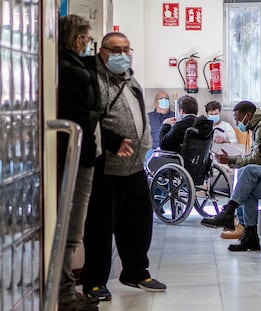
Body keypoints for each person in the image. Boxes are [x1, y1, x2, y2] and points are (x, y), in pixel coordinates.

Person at [81, 32, 166, 302]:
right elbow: (89, 120)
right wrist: (113, 141)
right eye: (116, 50)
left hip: (135, 167)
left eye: (127, 49)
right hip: (106, 167)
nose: (122, 54)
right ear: (103, 52)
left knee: (139, 223)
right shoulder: (93, 81)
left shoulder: (131, 80)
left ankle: (136, 272)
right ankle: (94, 281)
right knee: (100, 227)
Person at [58, 15, 101, 311]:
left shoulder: (64, 66)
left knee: (68, 227)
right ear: (77, 40)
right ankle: (63, 293)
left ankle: (63, 290)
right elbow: (84, 113)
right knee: (70, 229)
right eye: (87, 40)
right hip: (76, 155)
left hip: (73, 153)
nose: (88, 45)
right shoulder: (71, 70)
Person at [212, 100, 261, 241]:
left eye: (238, 120)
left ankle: (231, 214)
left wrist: (232, 161)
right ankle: (247, 232)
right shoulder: (259, 127)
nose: (237, 125)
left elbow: (257, 160)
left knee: (248, 170)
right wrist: (231, 160)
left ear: (248, 115)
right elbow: (256, 157)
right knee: (246, 182)